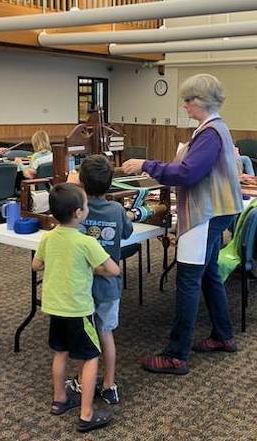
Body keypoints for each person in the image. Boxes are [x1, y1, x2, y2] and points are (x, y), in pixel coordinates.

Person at [122, 74, 243, 375]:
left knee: (188, 280)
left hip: (206, 214)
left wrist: (146, 165)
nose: (185, 106)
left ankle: (176, 355)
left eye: (188, 100)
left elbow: (188, 173)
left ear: (201, 102)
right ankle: (223, 335)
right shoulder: (216, 128)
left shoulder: (210, 133)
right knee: (209, 274)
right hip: (217, 210)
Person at [32, 182, 119, 432]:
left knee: (60, 353)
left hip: (55, 308)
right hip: (79, 310)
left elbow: (35, 266)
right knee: (91, 358)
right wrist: (95, 267)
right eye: (86, 205)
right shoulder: (86, 242)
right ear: (78, 213)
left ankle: (59, 399)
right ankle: (87, 413)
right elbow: (114, 270)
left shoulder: (48, 236)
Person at [66, 155, 133, 404]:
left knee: (85, 335)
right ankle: (109, 384)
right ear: (111, 182)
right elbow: (127, 232)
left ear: (81, 181)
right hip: (109, 286)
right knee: (106, 333)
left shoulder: (78, 211)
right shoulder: (116, 209)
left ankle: (83, 382)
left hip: (83, 286)